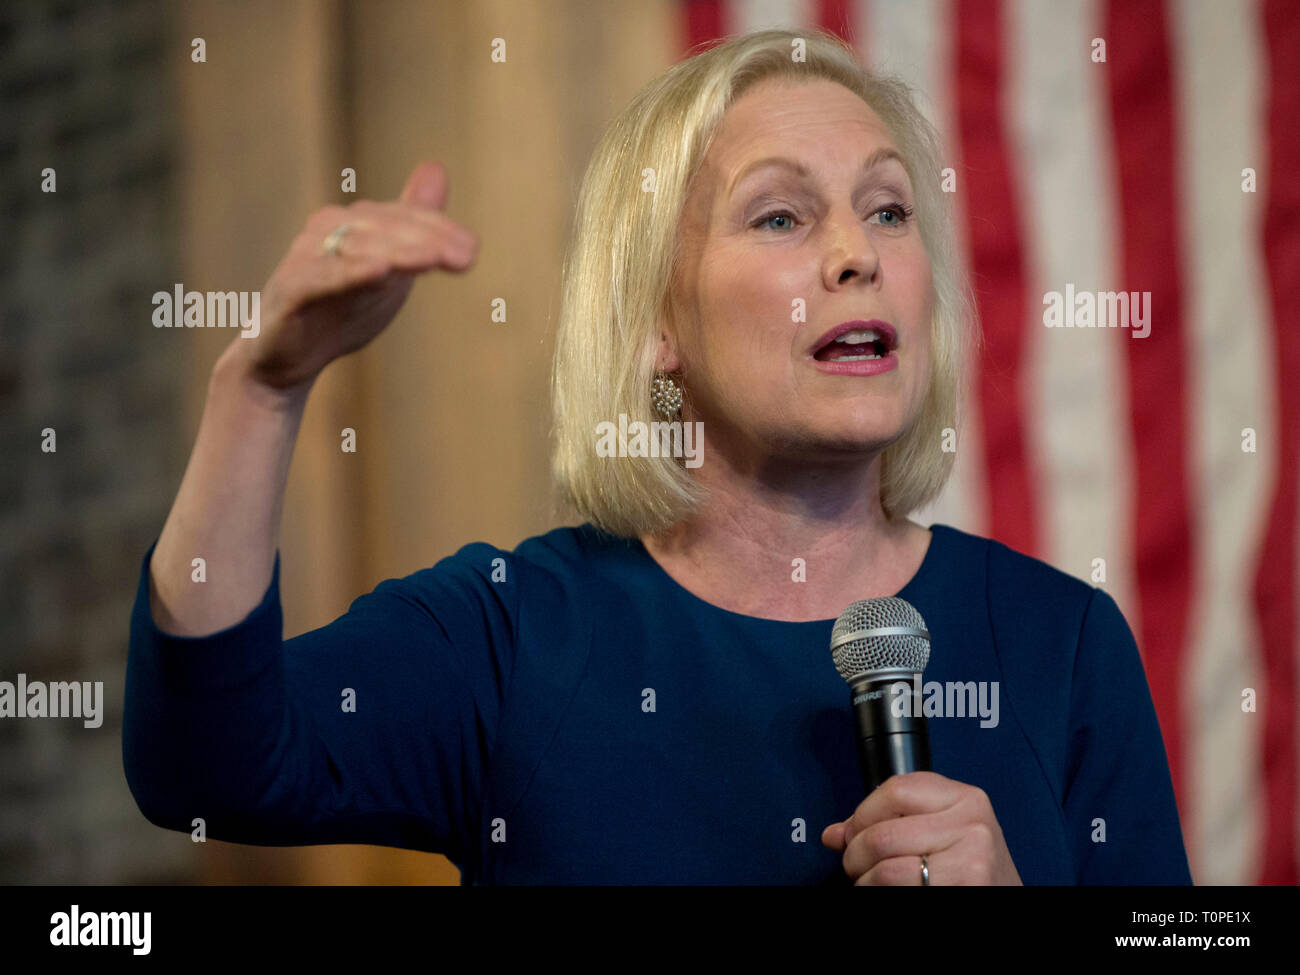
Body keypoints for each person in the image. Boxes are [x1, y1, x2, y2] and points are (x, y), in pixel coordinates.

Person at [124, 28, 1193, 885]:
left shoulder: (1062, 645)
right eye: (779, 215)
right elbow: (205, 765)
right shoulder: (512, 636)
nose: (855, 254)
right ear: (653, 322)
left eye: (888, 209)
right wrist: (261, 394)